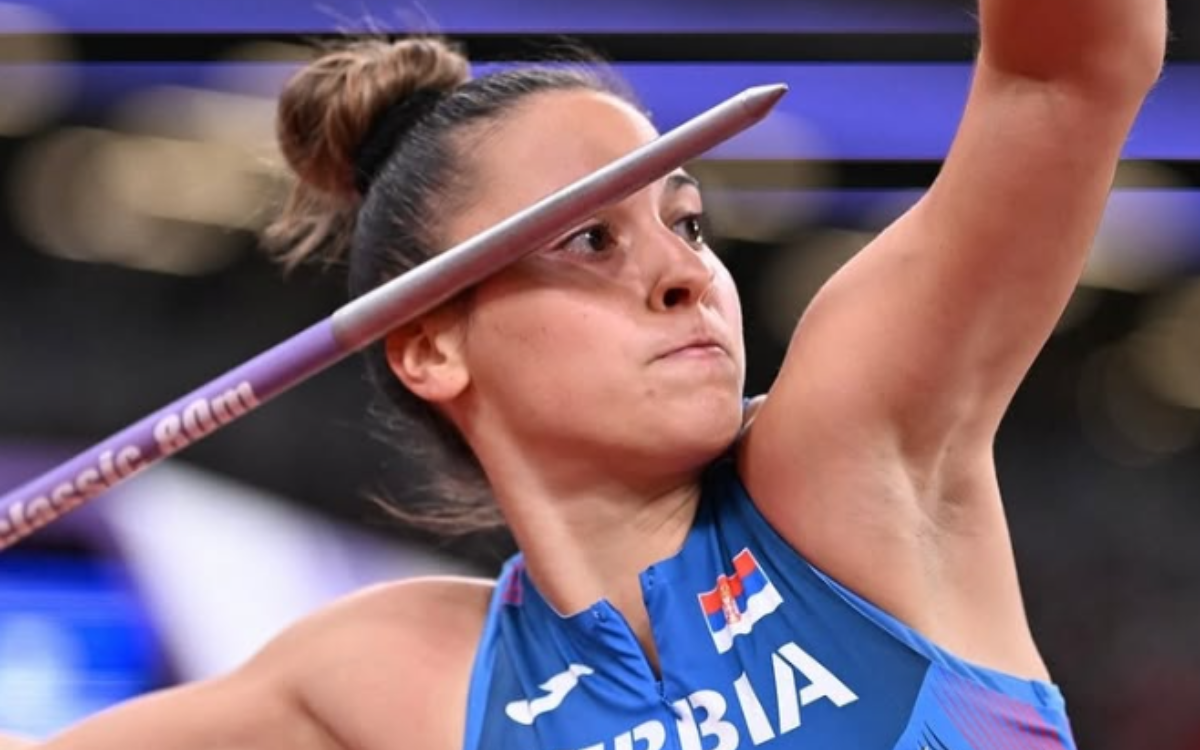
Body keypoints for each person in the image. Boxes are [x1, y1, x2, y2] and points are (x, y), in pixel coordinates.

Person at [5, 0, 1168, 746]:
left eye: (688, 223)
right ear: (432, 347)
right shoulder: (403, 674)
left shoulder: (843, 463)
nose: (683, 275)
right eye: (589, 240)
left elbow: (1065, 74)